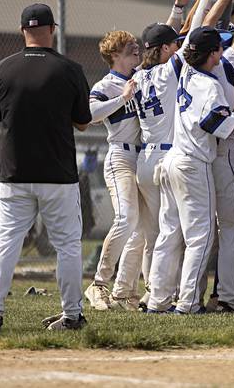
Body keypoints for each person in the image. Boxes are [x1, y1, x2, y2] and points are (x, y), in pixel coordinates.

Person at [0, 3, 90, 333]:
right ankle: (71, 315)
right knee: (68, 245)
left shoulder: (3, 68)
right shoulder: (70, 69)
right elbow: (83, 122)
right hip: (57, 173)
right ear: (52, 29)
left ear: (22, 31)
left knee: (6, 242)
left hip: (15, 172)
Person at [147, 26, 234, 314]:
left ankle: (158, 300)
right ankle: (188, 302)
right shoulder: (210, 85)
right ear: (213, 53)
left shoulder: (186, 72)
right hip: (193, 163)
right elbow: (222, 127)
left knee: (169, 234)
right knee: (200, 237)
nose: (221, 54)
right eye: (218, 49)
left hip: (171, 160)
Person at [109, 23, 182, 311]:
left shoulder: (137, 76)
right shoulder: (168, 70)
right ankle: (164, 294)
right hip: (166, 158)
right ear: (164, 48)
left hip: (144, 159)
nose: (176, 48)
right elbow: (200, 27)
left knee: (154, 234)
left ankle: (152, 292)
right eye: (172, 44)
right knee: (170, 231)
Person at [83, 30, 142, 310]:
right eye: (128, 47)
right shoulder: (106, 84)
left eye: (135, 45)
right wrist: (123, 98)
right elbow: (89, 114)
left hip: (143, 158)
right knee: (126, 219)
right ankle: (98, 284)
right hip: (120, 155)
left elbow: (161, 40)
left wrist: (179, 6)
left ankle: (124, 293)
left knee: (141, 230)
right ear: (114, 54)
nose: (136, 49)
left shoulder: (141, 74)